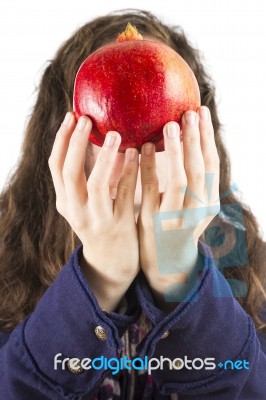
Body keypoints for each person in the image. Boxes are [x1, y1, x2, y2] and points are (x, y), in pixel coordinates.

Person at [0, 8, 265, 400]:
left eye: (165, 127)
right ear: (60, 143)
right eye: (108, 127)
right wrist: (98, 278)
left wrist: (180, 279)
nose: (137, 150)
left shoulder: (257, 277)